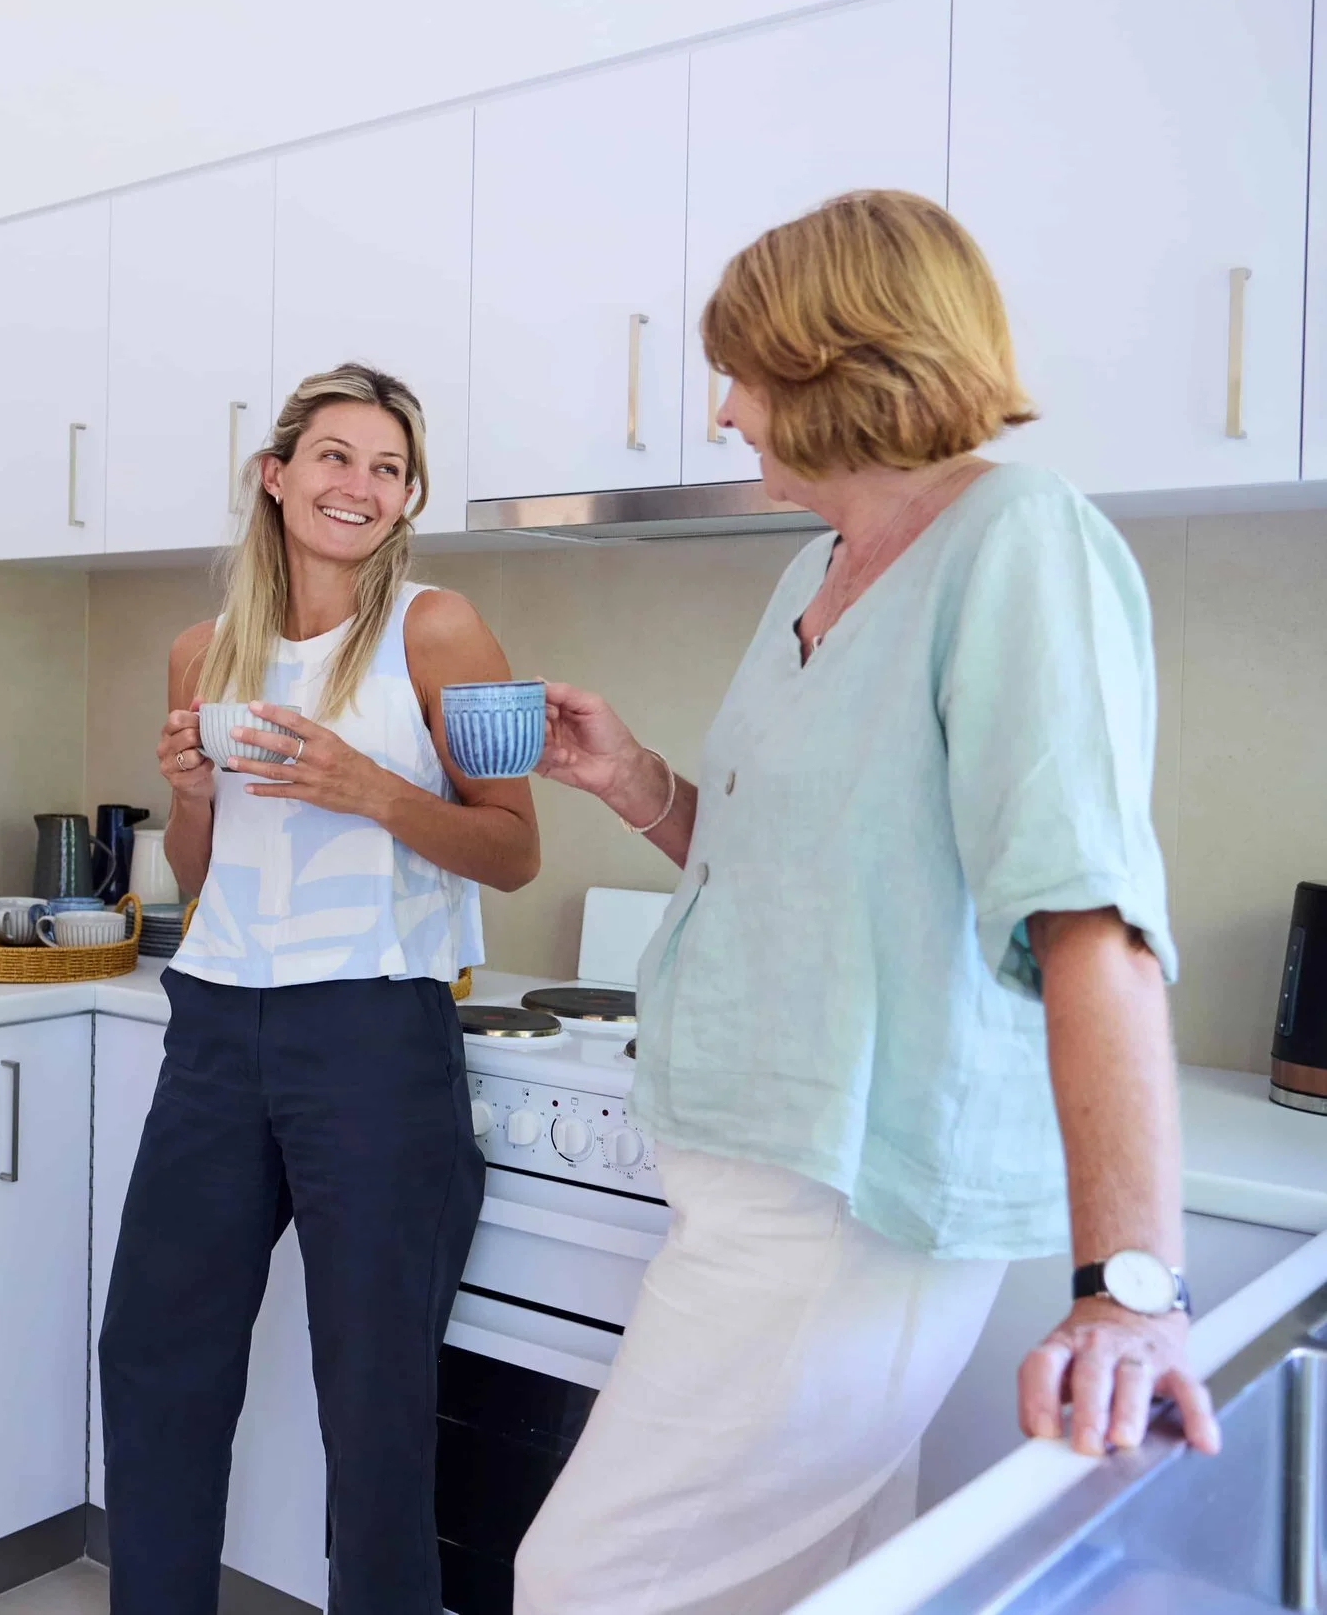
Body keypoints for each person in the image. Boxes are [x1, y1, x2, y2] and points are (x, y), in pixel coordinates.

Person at [512, 191, 1220, 1614]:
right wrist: (638, 781)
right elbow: (796, 871)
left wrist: (1130, 1289)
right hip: (750, 1168)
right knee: (818, 1590)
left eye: (746, 371)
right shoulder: (814, 567)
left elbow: (1089, 921)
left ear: (845, 364)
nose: (721, 410)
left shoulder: (1020, 539)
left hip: (851, 1190)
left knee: (582, 1580)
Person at [100, 363, 542, 1614]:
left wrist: (375, 791)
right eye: (336, 458)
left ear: (408, 501)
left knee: (374, 1397)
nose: (360, 485)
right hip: (215, 1031)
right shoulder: (204, 651)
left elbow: (514, 847)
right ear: (276, 475)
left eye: (388, 469)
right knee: (154, 1360)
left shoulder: (438, 632)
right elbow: (200, 868)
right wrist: (189, 794)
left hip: (370, 1036)